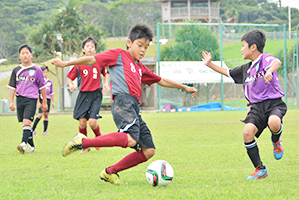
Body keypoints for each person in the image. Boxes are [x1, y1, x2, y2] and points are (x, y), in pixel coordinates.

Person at [51, 24, 197, 184]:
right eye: (139, 45)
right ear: (129, 42)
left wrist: (184, 87)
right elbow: (93, 59)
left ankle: (109, 172)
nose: (143, 50)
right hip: (123, 102)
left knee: (149, 151)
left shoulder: (140, 67)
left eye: (146, 47)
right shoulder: (118, 55)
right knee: (131, 139)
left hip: (134, 107)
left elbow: (161, 80)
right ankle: (83, 142)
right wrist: (65, 64)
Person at [202, 29, 287, 180]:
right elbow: (227, 72)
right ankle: (260, 168)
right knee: (247, 133)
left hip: (273, 104)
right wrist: (209, 64)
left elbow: (277, 62)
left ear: (253, 47)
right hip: (256, 108)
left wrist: (269, 72)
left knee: (274, 122)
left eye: (243, 45)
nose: (241, 49)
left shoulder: (264, 59)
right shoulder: (245, 70)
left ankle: (276, 141)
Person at [67, 36, 110, 153]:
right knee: (82, 122)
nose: (90, 48)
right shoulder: (79, 64)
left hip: (96, 94)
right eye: (87, 46)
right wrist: (71, 85)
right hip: (83, 95)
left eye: (92, 46)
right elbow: (70, 78)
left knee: (92, 122)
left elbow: (105, 73)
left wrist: (106, 84)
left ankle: (99, 138)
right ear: (83, 49)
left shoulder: (99, 62)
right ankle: (85, 146)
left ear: (95, 50)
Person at [8, 44, 48, 154]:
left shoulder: (37, 69)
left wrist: (44, 102)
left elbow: (42, 87)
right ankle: (32, 146)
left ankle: (23, 144)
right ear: (19, 56)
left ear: (31, 55)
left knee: (27, 122)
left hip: (31, 99)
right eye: (22, 53)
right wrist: (11, 102)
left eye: (27, 53)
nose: (25, 55)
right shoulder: (16, 70)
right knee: (25, 124)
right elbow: (12, 87)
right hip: (19, 99)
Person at [32, 65, 55, 136]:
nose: (45, 73)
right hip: (41, 99)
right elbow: (37, 92)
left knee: (46, 115)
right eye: (43, 72)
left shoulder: (49, 82)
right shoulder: (39, 81)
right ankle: (32, 130)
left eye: (46, 72)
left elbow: (52, 92)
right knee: (40, 115)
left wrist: (53, 102)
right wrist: (38, 102)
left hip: (48, 99)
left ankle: (45, 131)